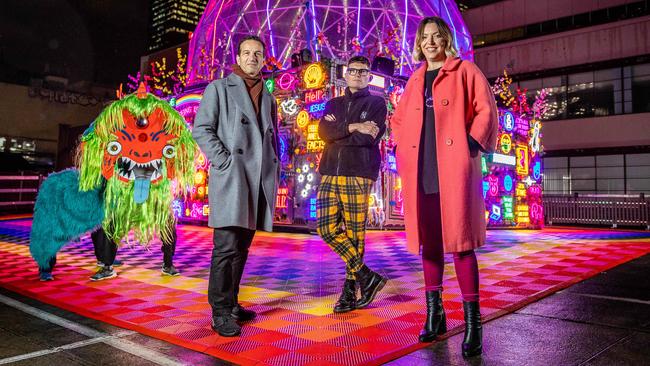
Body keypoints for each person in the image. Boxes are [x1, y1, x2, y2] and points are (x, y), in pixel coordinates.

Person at [391, 17, 498, 358]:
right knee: (430, 245)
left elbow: (486, 109)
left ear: (446, 39)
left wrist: (471, 142)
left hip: (454, 167)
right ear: (419, 43)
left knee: (462, 245)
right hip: (421, 168)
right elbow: (398, 120)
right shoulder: (415, 79)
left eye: (437, 36)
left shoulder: (465, 71)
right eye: (425, 37)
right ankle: (434, 314)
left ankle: (472, 323)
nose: (431, 41)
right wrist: (399, 147)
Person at [192, 35, 279, 337]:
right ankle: (219, 311)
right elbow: (201, 129)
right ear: (238, 58)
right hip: (233, 176)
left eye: (258, 53)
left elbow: (272, 138)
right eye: (247, 53)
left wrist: (274, 165)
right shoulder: (219, 88)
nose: (252, 58)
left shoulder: (269, 97)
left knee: (242, 247)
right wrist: (224, 161)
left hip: (257, 182)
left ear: (263, 59)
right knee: (226, 247)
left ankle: (231, 304)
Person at [316, 55, 388, 313]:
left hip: (358, 173)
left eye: (363, 71)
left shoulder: (378, 103)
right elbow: (323, 133)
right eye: (353, 70)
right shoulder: (332, 103)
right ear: (345, 74)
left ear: (369, 76)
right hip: (329, 173)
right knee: (325, 229)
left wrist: (340, 133)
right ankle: (367, 276)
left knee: (355, 235)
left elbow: (368, 140)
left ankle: (348, 292)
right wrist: (355, 126)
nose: (357, 74)